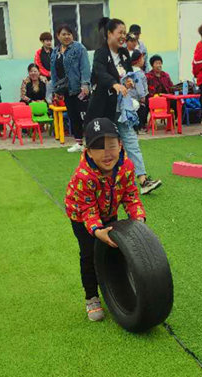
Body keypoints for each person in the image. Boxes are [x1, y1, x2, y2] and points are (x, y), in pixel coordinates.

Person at [65, 117, 146, 322]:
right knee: (89, 253)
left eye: (111, 145)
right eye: (99, 148)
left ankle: (117, 287)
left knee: (114, 248)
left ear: (120, 145)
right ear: (88, 151)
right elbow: (87, 209)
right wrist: (96, 230)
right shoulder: (84, 175)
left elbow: (130, 195)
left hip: (108, 209)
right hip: (81, 214)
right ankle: (92, 296)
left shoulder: (126, 166)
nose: (107, 153)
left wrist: (138, 219)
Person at [50, 23, 91, 153]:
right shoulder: (55, 52)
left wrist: (85, 84)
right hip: (65, 89)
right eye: (63, 34)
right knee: (73, 116)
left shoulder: (79, 48)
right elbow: (54, 72)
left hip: (79, 89)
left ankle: (90, 142)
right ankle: (79, 143)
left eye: (69, 34)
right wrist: (56, 90)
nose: (67, 36)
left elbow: (85, 67)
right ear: (58, 36)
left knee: (85, 115)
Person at [86, 18, 132, 124]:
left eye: (125, 33)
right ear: (110, 33)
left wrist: (129, 81)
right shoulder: (101, 53)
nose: (123, 37)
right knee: (107, 137)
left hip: (121, 105)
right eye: (120, 33)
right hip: (103, 105)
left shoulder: (124, 53)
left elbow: (129, 72)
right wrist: (114, 84)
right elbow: (100, 72)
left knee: (129, 138)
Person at [130, 50, 148, 130]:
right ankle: (138, 127)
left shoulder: (131, 71)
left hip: (131, 97)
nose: (144, 60)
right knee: (141, 111)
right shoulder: (138, 73)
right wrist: (142, 96)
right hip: (137, 98)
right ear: (139, 60)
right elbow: (139, 85)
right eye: (143, 59)